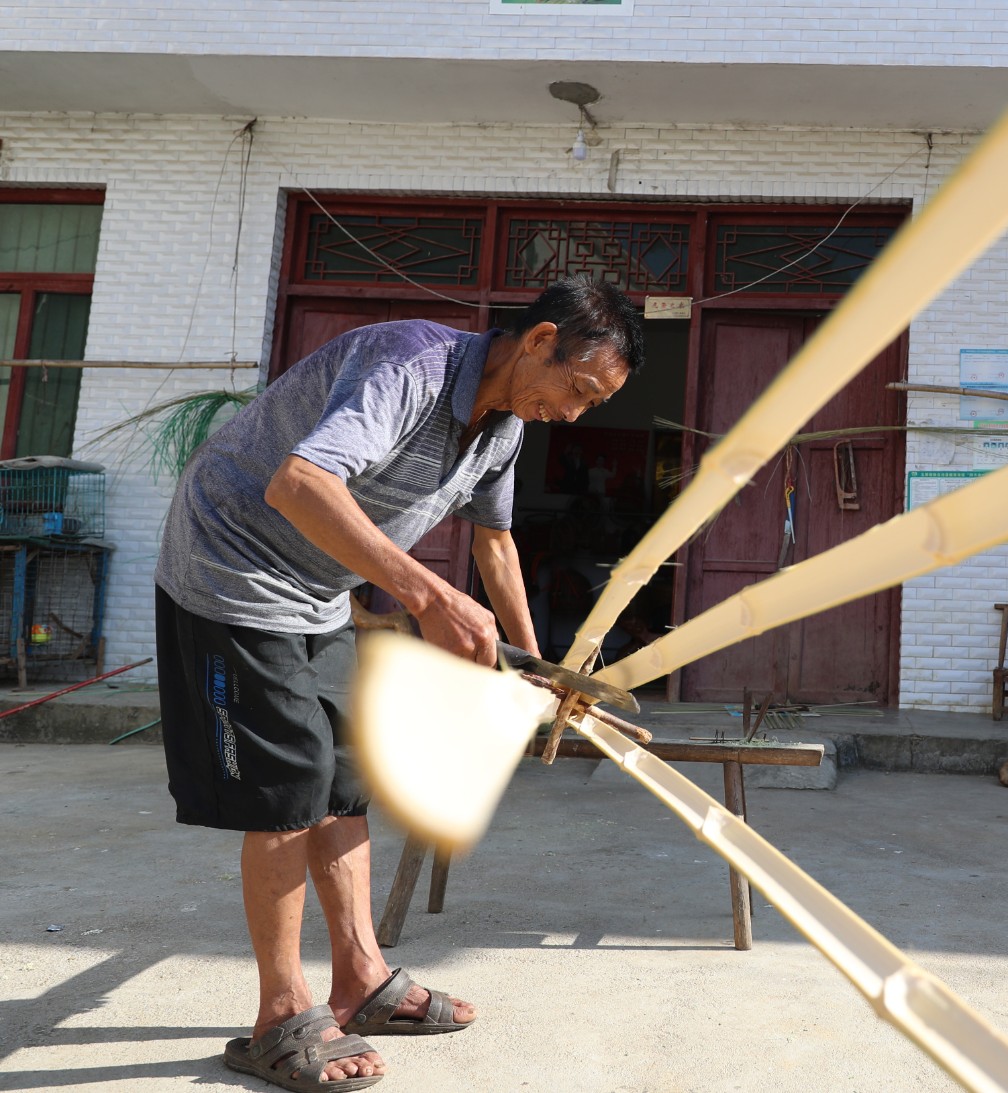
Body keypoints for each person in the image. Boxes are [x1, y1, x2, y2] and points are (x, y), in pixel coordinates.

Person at [154, 276, 644, 1090]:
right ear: (538, 341)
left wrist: (536, 666)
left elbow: (494, 542)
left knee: (346, 777)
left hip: (317, 592)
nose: (577, 412)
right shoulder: (409, 365)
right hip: (230, 566)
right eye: (579, 389)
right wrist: (428, 594)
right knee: (289, 784)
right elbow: (298, 484)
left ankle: (360, 977)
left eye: (593, 403)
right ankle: (281, 1015)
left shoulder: (505, 430)